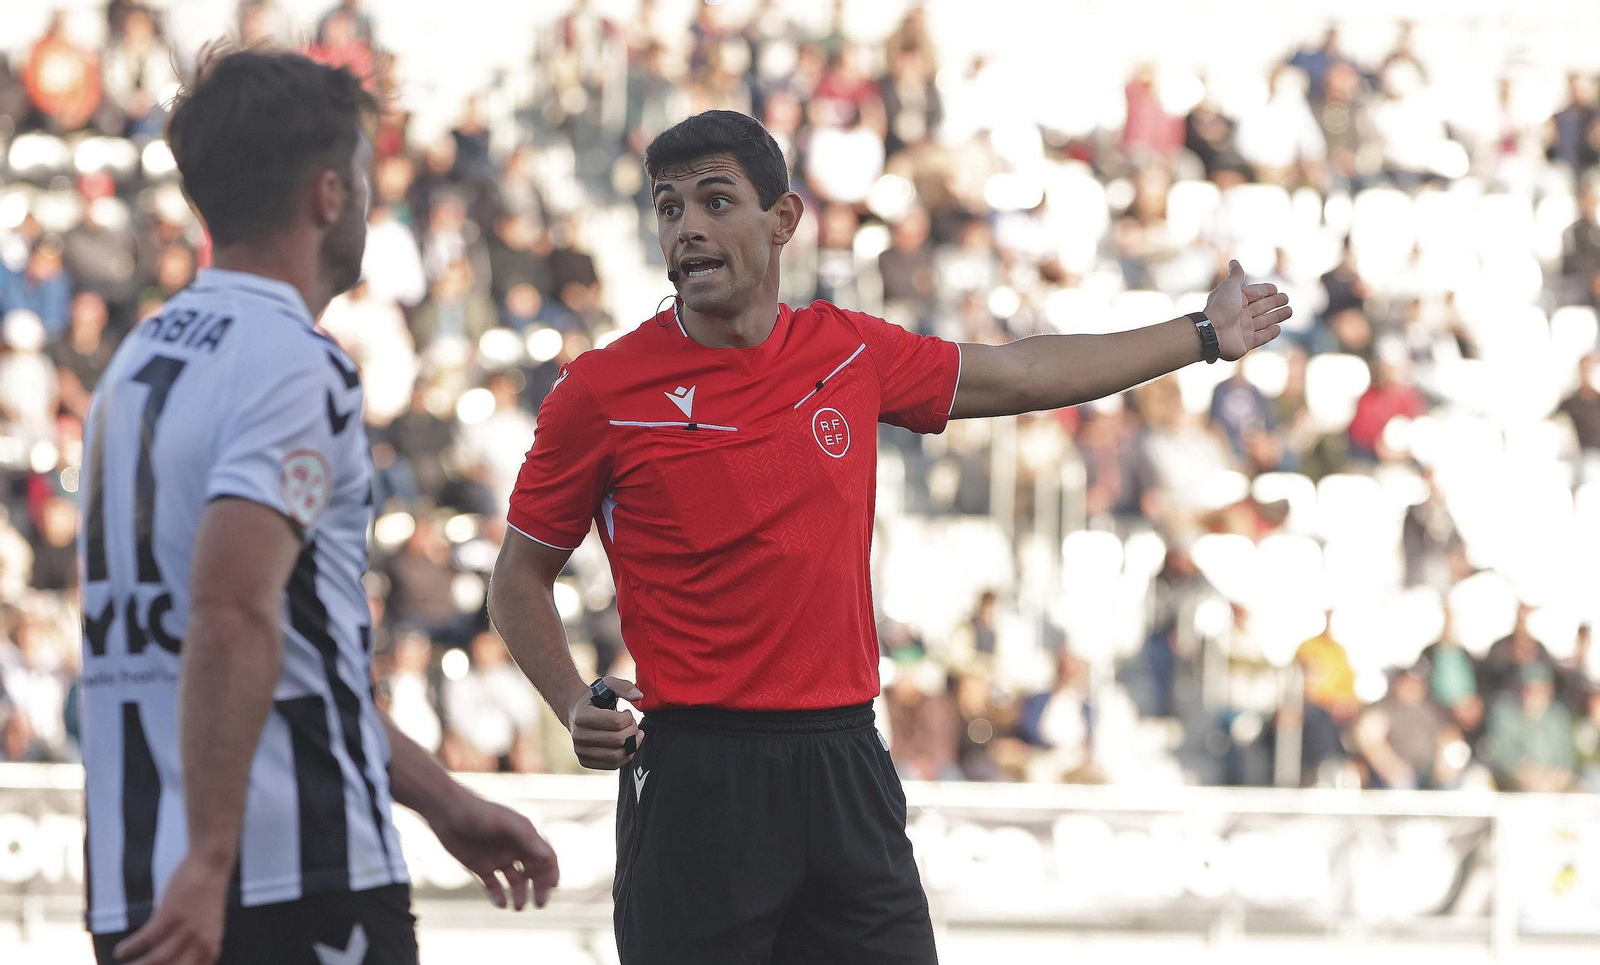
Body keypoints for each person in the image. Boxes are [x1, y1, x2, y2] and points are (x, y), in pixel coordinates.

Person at [487, 109, 1290, 964]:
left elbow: (1021, 372)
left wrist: (1205, 334)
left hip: (845, 762)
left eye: (715, 202)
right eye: (668, 207)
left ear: (783, 219)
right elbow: (517, 578)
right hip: (696, 772)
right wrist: (571, 699)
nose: (687, 227)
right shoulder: (600, 392)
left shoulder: (846, 351)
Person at [78, 47, 557, 965]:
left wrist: (445, 801)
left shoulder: (136, 363)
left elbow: (281, 659)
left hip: (142, 882)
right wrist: (212, 858)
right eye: (365, 177)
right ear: (331, 194)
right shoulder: (296, 365)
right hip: (282, 878)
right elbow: (231, 615)